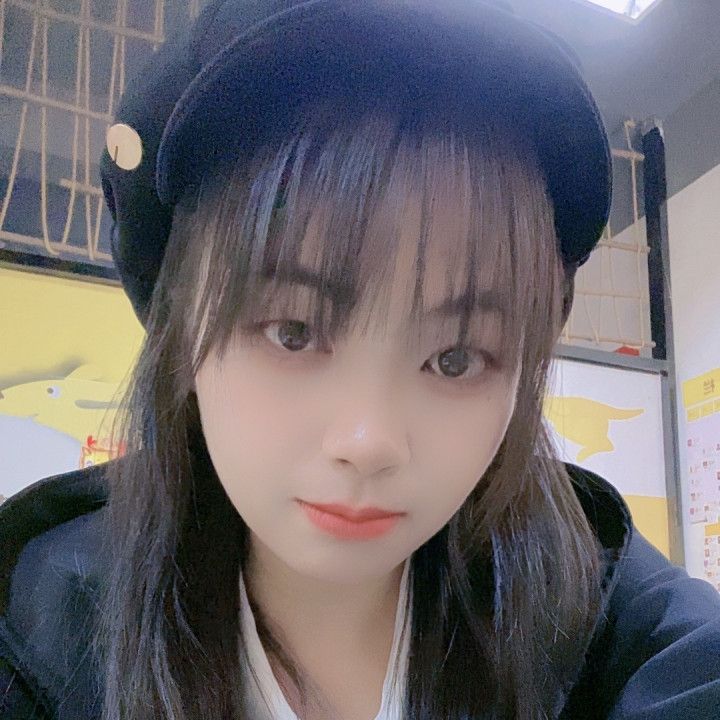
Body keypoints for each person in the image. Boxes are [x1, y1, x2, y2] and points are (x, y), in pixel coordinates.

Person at [1, 1, 719, 718]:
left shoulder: (605, 613)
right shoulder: (35, 632)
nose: (368, 441)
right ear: (184, 328)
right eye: (292, 332)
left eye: (456, 358)